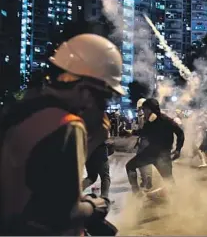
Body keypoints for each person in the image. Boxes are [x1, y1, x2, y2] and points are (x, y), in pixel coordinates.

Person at [0, 34, 123, 235]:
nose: (103, 107)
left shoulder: (20, 109)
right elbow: (61, 214)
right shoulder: (67, 125)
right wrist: (96, 207)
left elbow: (42, 185)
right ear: (86, 90)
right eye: (104, 97)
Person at [125, 98, 185, 196]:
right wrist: (132, 132)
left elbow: (180, 133)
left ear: (149, 109)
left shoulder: (166, 120)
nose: (143, 112)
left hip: (161, 155)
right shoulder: (149, 121)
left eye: (144, 109)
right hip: (152, 153)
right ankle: (137, 193)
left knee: (169, 182)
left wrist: (178, 149)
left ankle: (176, 203)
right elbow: (144, 132)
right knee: (130, 166)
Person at [134, 98, 153, 191]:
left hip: (145, 141)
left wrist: (134, 132)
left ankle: (145, 180)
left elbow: (142, 131)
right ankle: (148, 178)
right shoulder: (152, 115)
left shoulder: (142, 116)